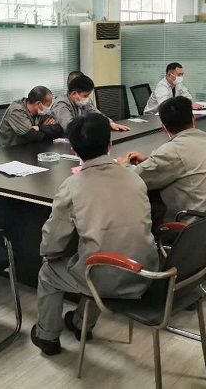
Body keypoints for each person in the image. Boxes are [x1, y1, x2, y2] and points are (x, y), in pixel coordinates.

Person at [31, 114, 159, 355]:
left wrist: (48, 254)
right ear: (110, 143)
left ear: (73, 150)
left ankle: (47, 336)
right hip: (146, 270)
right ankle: (81, 324)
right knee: (98, 255)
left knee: (50, 273)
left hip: (107, 277)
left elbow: (53, 240)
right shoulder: (135, 177)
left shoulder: (72, 186)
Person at [117, 96, 206, 245]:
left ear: (164, 128)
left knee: (150, 204)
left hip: (202, 238)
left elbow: (134, 179)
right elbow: (182, 164)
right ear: (193, 120)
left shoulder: (170, 152)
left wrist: (124, 164)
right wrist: (148, 161)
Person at [51, 74, 130, 133]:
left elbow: (96, 113)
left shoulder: (82, 101)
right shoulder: (61, 104)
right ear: (74, 94)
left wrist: (109, 122)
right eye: (85, 95)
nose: (87, 98)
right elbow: (70, 127)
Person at [0, 86, 64, 148]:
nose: (49, 108)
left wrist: (40, 128)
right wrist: (46, 128)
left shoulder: (41, 111)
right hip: (9, 151)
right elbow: (33, 136)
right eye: (48, 105)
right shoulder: (16, 111)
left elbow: (59, 128)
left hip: (29, 148)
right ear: (38, 104)